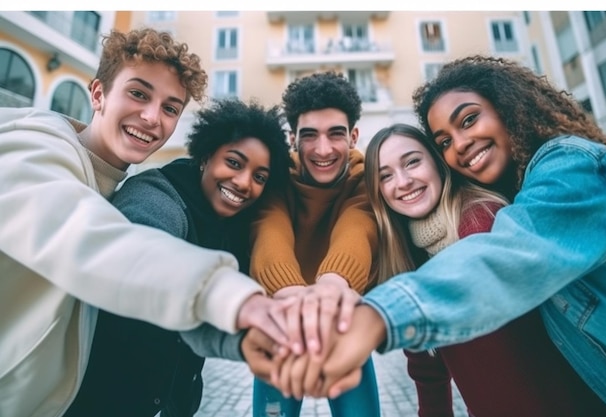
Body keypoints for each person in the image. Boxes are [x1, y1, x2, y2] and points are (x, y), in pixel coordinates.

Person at [304, 55, 606, 417]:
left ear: (507, 107)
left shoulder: (566, 168)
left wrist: (380, 316)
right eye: (444, 140)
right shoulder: (417, 245)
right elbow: (430, 371)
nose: (460, 144)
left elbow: (505, 258)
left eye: (469, 119)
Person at [0, 28, 290, 417]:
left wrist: (242, 337)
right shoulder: (31, 152)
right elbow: (97, 242)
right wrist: (230, 297)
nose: (152, 117)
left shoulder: (104, 184)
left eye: (170, 108)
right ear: (98, 93)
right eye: (138, 93)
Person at [364, 123, 606, 416]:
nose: (403, 181)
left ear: (436, 162)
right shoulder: (407, 255)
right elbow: (427, 371)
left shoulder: (486, 220)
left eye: (412, 162)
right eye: (386, 176)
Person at [64, 98, 293, 417]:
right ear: (205, 156)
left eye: (260, 177)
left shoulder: (238, 224)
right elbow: (143, 249)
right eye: (234, 163)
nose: (244, 183)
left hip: (175, 401)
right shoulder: (157, 193)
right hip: (101, 400)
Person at [249, 71, 381, 417]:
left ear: (353, 136)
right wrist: (292, 294)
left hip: (341, 315)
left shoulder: (366, 178)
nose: (323, 149)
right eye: (309, 136)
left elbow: (359, 225)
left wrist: (332, 286)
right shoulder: (276, 177)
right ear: (293, 139)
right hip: (283, 319)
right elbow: (269, 227)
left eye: (335, 134)